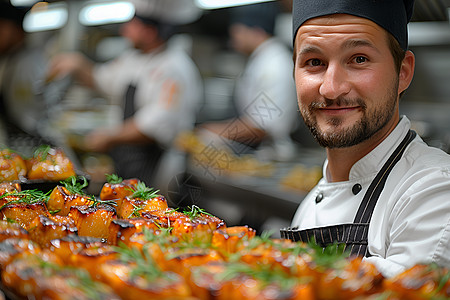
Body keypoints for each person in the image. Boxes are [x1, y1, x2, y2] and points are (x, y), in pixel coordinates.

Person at [281, 0, 450, 278]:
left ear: (403, 72)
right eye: (314, 62)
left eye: (359, 59)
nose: (332, 88)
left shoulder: (434, 191)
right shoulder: (310, 205)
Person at [47, 0, 203, 188]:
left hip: (158, 162)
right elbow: (101, 80)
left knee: (151, 210)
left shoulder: (174, 67)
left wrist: (109, 136)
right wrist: (77, 64)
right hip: (129, 159)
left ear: (149, 31)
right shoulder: (131, 58)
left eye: (132, 24)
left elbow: (155, 125)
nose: (124, 30)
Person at [198, 2, 298, 162]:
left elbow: (261, 126)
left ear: (257, 31)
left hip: (269, 156)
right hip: (254, 152)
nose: (233, 37)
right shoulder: (261, 59)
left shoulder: (276, 64)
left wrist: (217, 132)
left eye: (238, 31)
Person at [0, 1, 47, 142]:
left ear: (14, 29)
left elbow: (31, 115)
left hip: (29, 141)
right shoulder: (8, 58)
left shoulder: (31, 62)